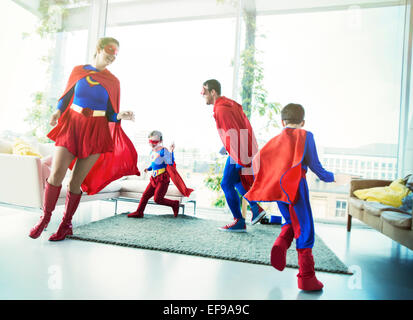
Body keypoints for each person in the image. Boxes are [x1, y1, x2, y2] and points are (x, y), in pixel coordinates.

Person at [29, 37, 140, 241]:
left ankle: (65, 225)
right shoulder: (78, 71)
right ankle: (45, 218)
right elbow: (65, 96)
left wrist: (120, 115)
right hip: (72, 125)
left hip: (96, 132)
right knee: (56, 176)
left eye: (115, 55)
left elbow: (110, 114)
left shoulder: (113, 82)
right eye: (109, 52)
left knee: (75, 183)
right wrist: (56, 112)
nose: (112, 57)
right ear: (98, 49)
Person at [244, 103, 351, 291]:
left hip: (279, 190)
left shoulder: (275, 140)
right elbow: (316, 167)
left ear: (282, 121)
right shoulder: (306, 136)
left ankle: (281, 243)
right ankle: (307, 278)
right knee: (305, 229)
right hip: (296, 189)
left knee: (292, 223)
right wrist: (334, 178)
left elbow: (256, 163)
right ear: (303, 122)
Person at [201, 79, 266, 232]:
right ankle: (256, 209)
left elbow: (233, 133)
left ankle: (239, 221)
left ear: (213, 92)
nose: (202, 94)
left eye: (204, 91)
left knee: (225, 184)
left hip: (239, 151)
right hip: (240, 149)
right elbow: (236, 129)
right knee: (236, 182)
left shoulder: (221, 109)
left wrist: (239, 157)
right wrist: (227, 147)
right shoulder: (228, 104)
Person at [127, 130, 193, 218]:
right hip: (154, 178)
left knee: (157, 199)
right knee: (145, 195)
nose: (152, 144)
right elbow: (154, 163)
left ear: (161, 141)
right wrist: (149, 168)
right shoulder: (152, 151)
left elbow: (170, 162)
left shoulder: (164, 150)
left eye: (155, 141)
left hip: (162, 179)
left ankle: (174, 204)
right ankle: (139, 212)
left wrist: (171, 152)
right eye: (150, 141)